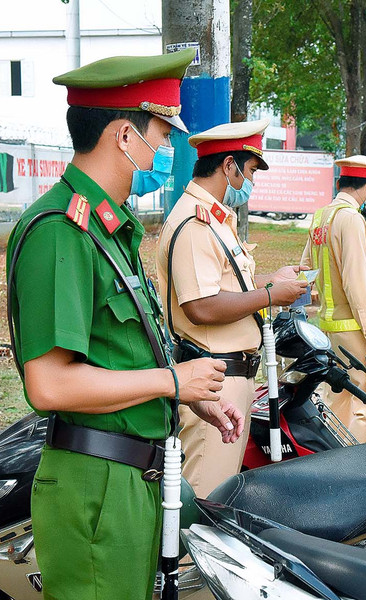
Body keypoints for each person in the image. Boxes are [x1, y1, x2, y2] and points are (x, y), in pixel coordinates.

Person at [6, 50, 244, 600]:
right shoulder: (62, 231)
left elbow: (121, 353)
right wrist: (171, 382)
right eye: (161, 137)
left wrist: (185, 395)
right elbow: (49, 384)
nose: (165, 152)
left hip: (134, 477)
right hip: (97, 486)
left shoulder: (112, 229)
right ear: (123, 136)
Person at [156, 118, 310, 497]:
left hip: (228, 377)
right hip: (213, 379)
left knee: (220, 494)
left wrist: (270, 283)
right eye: (251, 171)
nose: (252, 181)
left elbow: (228, 288)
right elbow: (201, 306)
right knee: (204, 501)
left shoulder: (216, 218)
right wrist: (270, 296)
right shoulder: (195, 223)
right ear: (229, 166)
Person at [300, 155, 366, 442]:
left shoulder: (322, 216)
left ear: (341, 182)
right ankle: (358, 460)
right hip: (354, 327)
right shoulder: (351, 219)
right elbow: (356, 283)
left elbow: (305, 267)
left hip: (330, 325)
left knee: (339, 397)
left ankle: (332, 453)